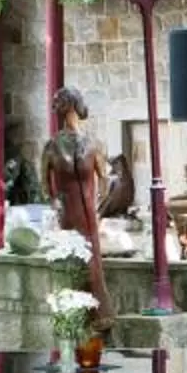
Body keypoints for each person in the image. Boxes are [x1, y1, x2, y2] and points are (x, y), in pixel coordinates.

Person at [41, 85, 109, 303]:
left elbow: (105, 178)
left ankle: (97, 316)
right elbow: (44, 184)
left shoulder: (93, 143)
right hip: (67, 217)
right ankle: (73, 314)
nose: (54, 105)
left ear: (69, 105)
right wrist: (54, 205)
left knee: (92, 267)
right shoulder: (52, 146)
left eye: (58, 101)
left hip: (89, 215)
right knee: (72, 267)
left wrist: (99, 209)